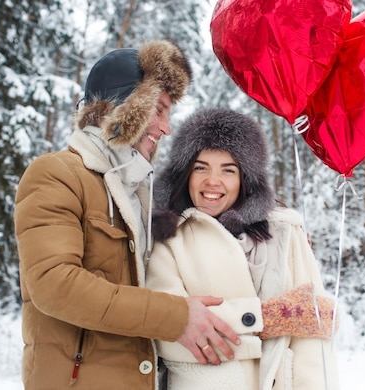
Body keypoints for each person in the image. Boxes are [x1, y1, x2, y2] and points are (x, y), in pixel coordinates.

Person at [14, 41, 240, 390]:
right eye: (159, 110)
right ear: (126, 107)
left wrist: (272, 230)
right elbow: (54, 284)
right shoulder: (57, 173)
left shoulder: (139, 191)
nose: (166, 128)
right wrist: (176, 318)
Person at [146, 107, 339, 390]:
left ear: (245, 179)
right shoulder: (169, 238)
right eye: (201, 167)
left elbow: (313, 342)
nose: (213, 180)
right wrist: (271, 319)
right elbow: (167, 335)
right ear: (185, 174)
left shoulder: (285, 232)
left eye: (228, 170)